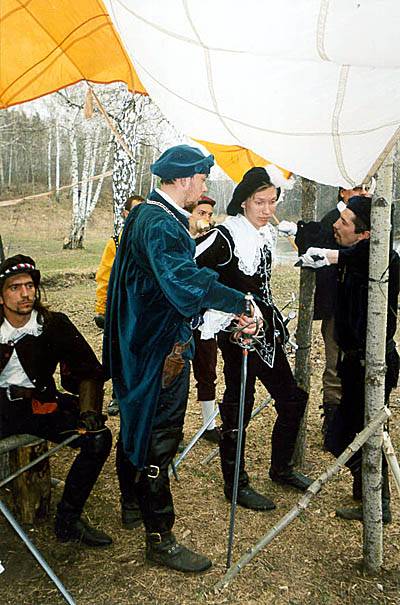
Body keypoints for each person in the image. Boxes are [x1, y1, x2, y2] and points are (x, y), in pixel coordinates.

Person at [103, 144, 258, 573]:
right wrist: (239, 302)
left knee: (139, 425)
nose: (204, 186)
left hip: (141, 344)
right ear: (186, 179)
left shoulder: (149, 215)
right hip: (158, 350)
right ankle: (160, 539)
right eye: (202, 178)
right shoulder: (159, 223)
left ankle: (132, 504)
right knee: (159, 438)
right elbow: (184, 283)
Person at [195, 167, 312, 514]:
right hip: (239, 336)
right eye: (259, 202)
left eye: (272, 202)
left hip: (267, 333)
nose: (266, 209)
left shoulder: (263, 234)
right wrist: (227, 313)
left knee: (292, 399)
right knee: (239, 404)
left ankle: (281, 468)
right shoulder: (224, 236)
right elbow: (188, 272)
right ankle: (235, 484)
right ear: (244, 201)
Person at [296, 196, 399, 523]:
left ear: (366, 234)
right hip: (353, 362)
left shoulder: (384, 260)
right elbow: (320, 236)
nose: (336, 225)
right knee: (347, 433)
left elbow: (373, 256)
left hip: (375, 364)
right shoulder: (352, 252)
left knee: (361, 434)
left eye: (345, 222)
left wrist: (332, 256)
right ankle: (366, 490)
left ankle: (378, 503)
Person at [0, 255, 112, 546]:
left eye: (29, 286)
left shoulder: (52, 325)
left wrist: (88, 412)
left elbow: (89, 371)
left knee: (97, 439)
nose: (25, 293)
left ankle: (68, 520)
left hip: (40, 406)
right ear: (1, 296)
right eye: (15, 287)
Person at [278, 181, 374, 445]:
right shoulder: (333, 219)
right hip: (337, 307)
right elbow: (318, 238)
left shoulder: (372, 222)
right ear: (343, 191)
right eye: (358, 189)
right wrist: (299, 231)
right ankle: (332, 420)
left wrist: (331, 256)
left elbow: (365, 256)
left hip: (363, 310)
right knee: (334, 365)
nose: (363, 193)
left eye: (365, 189)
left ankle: (359, 421)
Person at [94, 194, 144, 416]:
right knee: (119, 353)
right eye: (134, 211)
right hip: (120, 309)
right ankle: (118, 395)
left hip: (142, 309)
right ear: (125, 214)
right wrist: (101, 309)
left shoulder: (150, 241)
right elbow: (104, 277)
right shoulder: (115, 243)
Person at [189, 195, 219, 443]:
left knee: (207, 369)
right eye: (201, 213)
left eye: (209, 214)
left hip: (205, 318)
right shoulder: (177, 241)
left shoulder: (213, 244)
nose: (206, 219)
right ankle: (168, 427)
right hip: (178, 319)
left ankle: (209, 425)